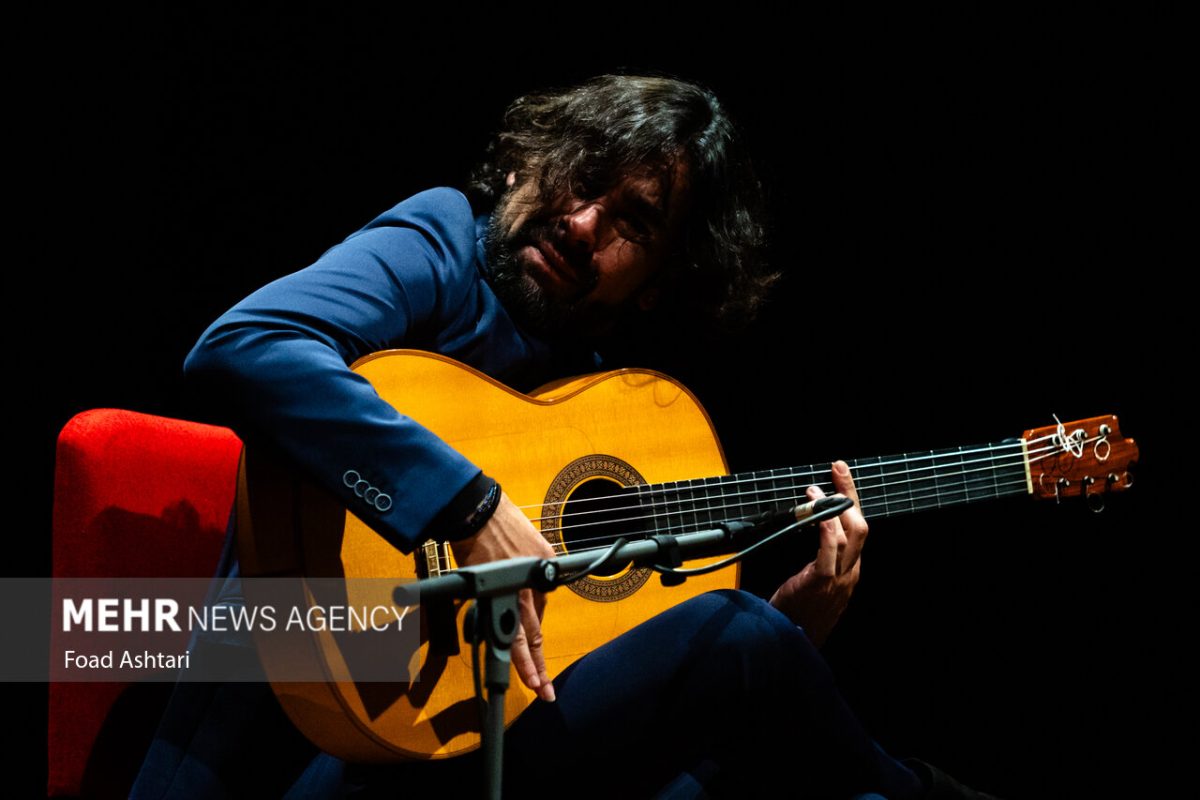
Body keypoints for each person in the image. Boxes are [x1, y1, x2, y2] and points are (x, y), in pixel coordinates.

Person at [133, 74, 995, 799]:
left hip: (464, 746)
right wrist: (465, 504)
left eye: (635, 222)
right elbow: (243, 347)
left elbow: (596, 666)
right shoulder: (440, 246)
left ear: (660, 284)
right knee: (736, 638)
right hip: (283, 745)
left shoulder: (599, 408)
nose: (583, 224)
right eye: (583, 178)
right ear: (532, 162)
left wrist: (791, 633)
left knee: (722, 715)